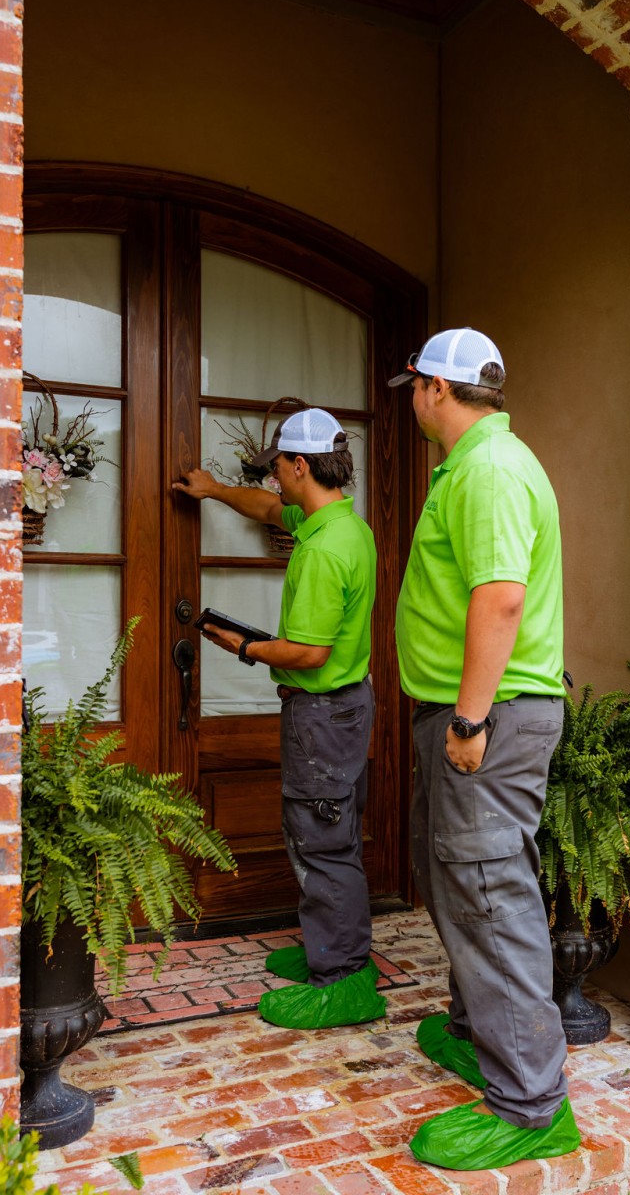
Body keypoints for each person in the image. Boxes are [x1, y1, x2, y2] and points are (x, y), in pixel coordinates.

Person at [390, 329, 580, 1170]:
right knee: (455, 879)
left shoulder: (490, 470)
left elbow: (500, 600)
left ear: (435, 388)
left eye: (414, 387)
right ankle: (479, 1034)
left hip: (487, 720)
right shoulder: (476, 464)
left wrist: (469, 723)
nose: (412, 400)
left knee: (487, 893)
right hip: (474, 714)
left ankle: (532, 1105)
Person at [173, 407, 384, 1031]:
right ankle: (338, 951)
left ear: (299, 465)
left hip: (320, 713)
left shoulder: (324, 551)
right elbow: (267, 509)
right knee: (336, 834)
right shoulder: (343, 524)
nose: (273, 481)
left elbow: (309, 653)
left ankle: (342, 978)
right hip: (346, 707)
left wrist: (241, 645)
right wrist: (214, 490)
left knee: (319, 841)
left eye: (278, 468)